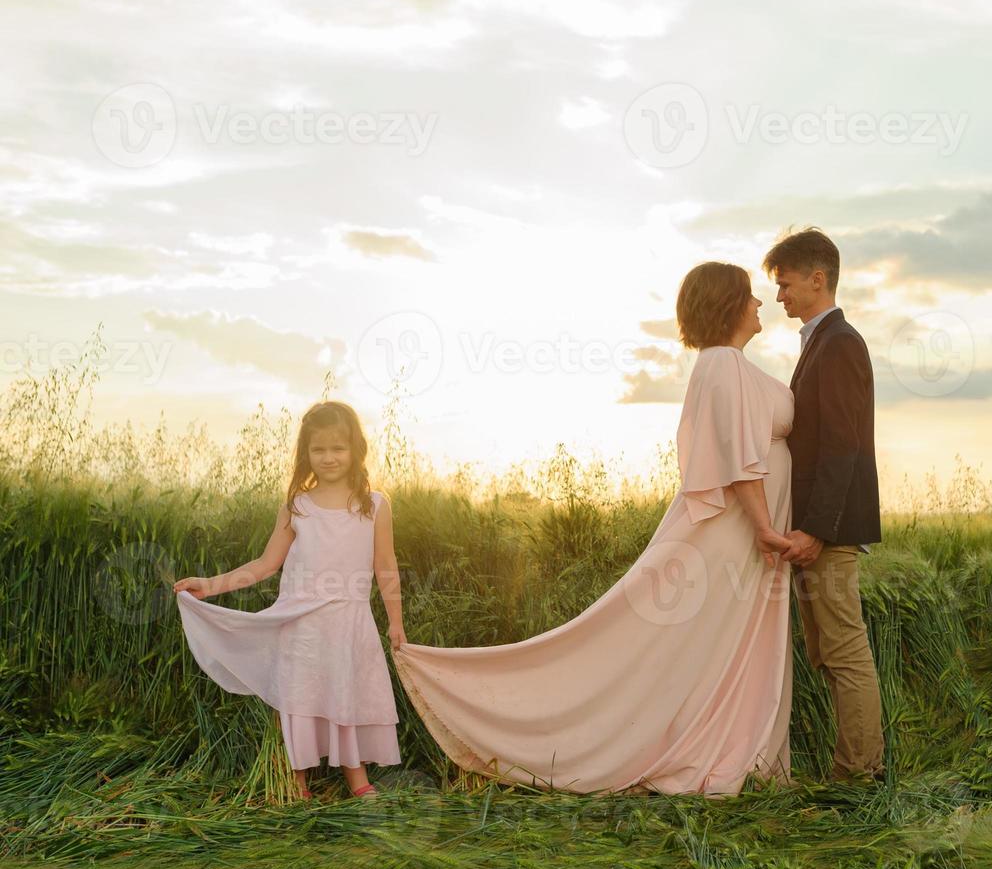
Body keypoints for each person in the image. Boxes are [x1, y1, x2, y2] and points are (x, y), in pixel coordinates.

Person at [392, 262, 796, 797]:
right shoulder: (722, 363)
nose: (760, 304)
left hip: (745, 535)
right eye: (750, 296)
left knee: (712, 644)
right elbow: (738, 460)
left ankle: (727, 743)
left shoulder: (731, 364)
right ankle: (657, 743)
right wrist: (766, 528)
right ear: (727, 304)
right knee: (680, 642)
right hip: (736, 533)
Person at [174, 400, 406, 801]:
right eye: (319, 450)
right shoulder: (297, 506)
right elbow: (265, 564)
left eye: (338, 448)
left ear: (355, 450)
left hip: (348, 619)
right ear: (306, 454)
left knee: (343, 690)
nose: (329, 458)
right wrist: (209, 586)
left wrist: (396, 621)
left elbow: (386, 566)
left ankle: (356, 775)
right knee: (299, 695)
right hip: (300, 620)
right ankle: (296, 778)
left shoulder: (375, 505)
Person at [762, 227, 886, 782]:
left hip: (828, 532)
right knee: (829, 652)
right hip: (819, 529)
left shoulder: (839, 343)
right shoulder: (821, 342)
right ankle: (853, 766)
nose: (779, 296)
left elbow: (843, 445)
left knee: (845, 651)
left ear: (818, 278)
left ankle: (859, 774)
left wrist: (814, 528)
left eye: (785, 284)